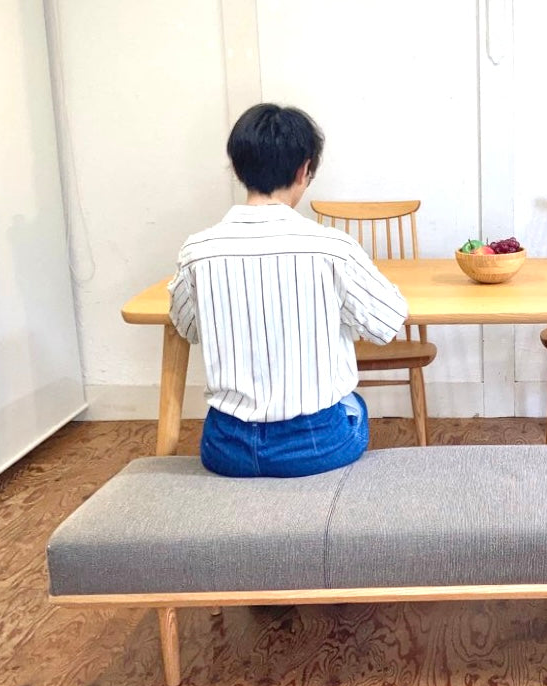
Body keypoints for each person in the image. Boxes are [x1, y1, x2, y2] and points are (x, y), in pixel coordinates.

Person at [168, 103, 408, 477]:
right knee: (355, 406)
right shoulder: (333, 248)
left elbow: (187, 328)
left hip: (226, 449)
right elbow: (388, 322)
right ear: (303, 170)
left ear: (238, 168)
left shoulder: (197, 251)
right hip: (315, 445)